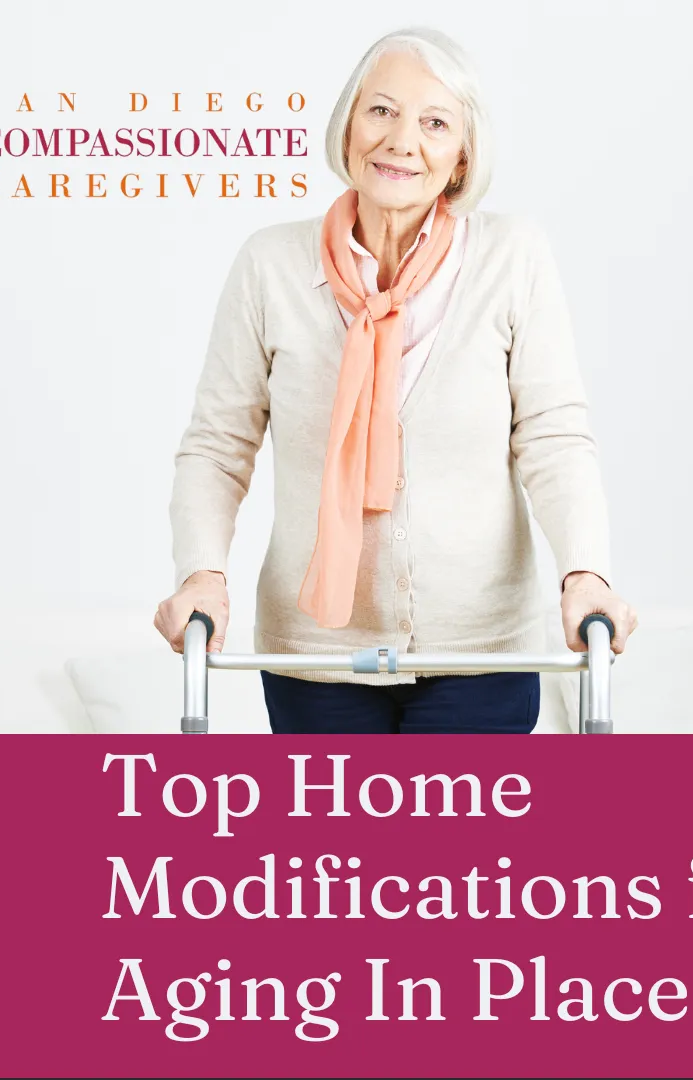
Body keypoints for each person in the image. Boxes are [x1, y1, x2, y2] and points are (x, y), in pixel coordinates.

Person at [155, 26, 637, 733]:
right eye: (381, 110)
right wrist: (202, 572)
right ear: (348, 124)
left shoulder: (514, 258)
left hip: (480, 654)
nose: (402, 140)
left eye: (434, 122)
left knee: (458, 847)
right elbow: (216, 447)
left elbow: (555, 438)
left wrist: (585, 573)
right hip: (314, 657)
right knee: (336, 849)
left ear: (462, 157)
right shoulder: (270, 265)